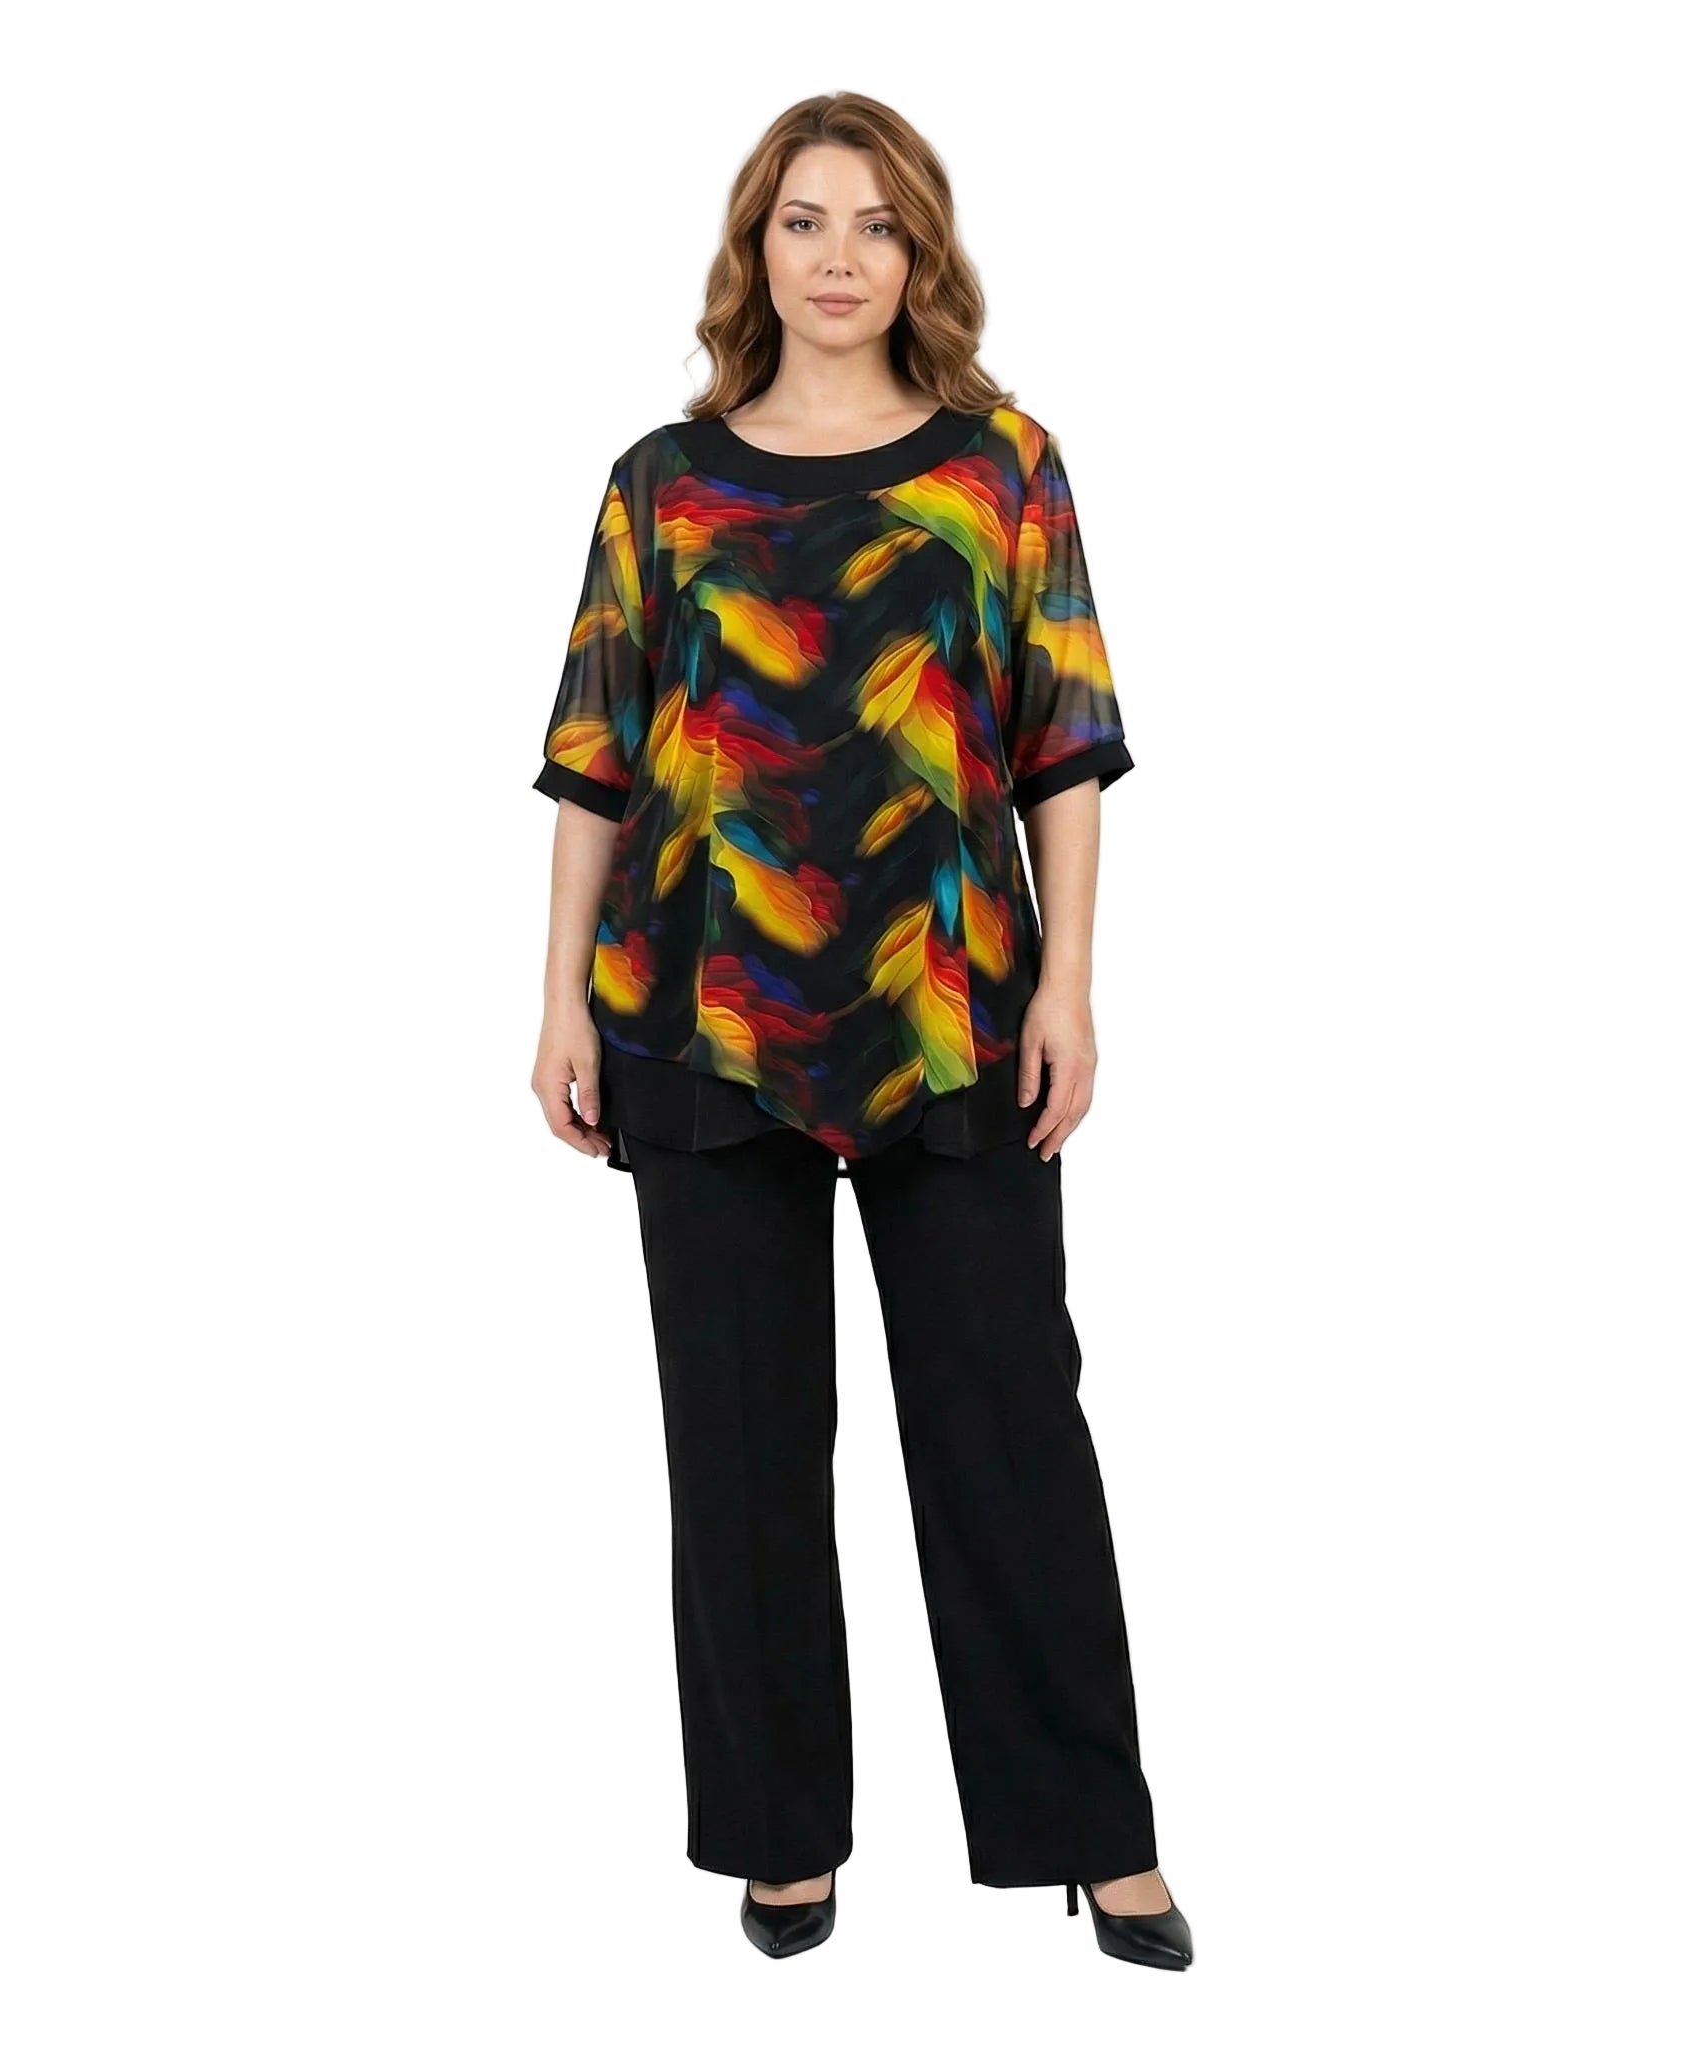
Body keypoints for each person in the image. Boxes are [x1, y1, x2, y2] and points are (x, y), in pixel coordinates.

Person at [529, 91, 1192, 1973]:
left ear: (923, 255)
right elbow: (597, 752)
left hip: (952, 1003)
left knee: (1008, 1424)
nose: (839, 259)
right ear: (756, 249)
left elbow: (1065, 741)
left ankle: (1095, 1831)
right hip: (697, 1006)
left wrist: (1068, 980)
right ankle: (780, 1835)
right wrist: (559, 995)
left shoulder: (1003, 469)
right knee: (739, 1444)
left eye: (878, 225)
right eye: (805, 222)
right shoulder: (663, 483)